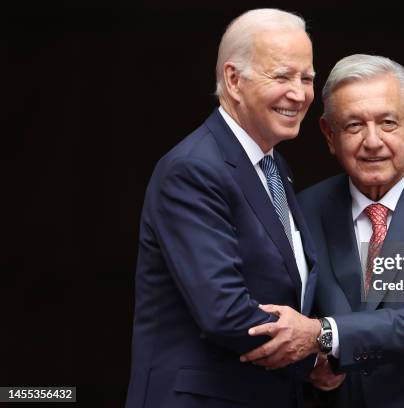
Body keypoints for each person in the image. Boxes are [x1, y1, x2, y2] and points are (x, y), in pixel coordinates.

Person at [242, 54, 404, 407]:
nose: (372, 141)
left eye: (387, 122)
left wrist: (324, 335)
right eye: (354, 125)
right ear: (329, 135)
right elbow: (287, 316)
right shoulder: (303, 209)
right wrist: (310, 364)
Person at [126, 9, 325, 408]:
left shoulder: (273, 166)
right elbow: (225, 311)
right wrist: (318, 344)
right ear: (234, 80)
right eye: (282, 76)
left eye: (307, 78)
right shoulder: (194, 169)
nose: (300, 93)